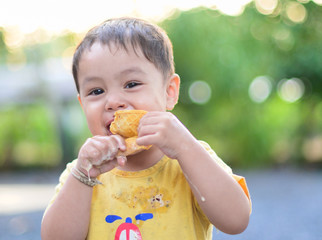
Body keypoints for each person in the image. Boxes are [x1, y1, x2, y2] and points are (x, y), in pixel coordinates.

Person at [41, 17, 251, 240]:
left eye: (131, 84)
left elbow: (236, 221)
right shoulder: (83, 173)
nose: (113, 102)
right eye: (96, 91)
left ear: (169, 92)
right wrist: (82, 175)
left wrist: (184, 146)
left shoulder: (191, 158)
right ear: (82, 104)